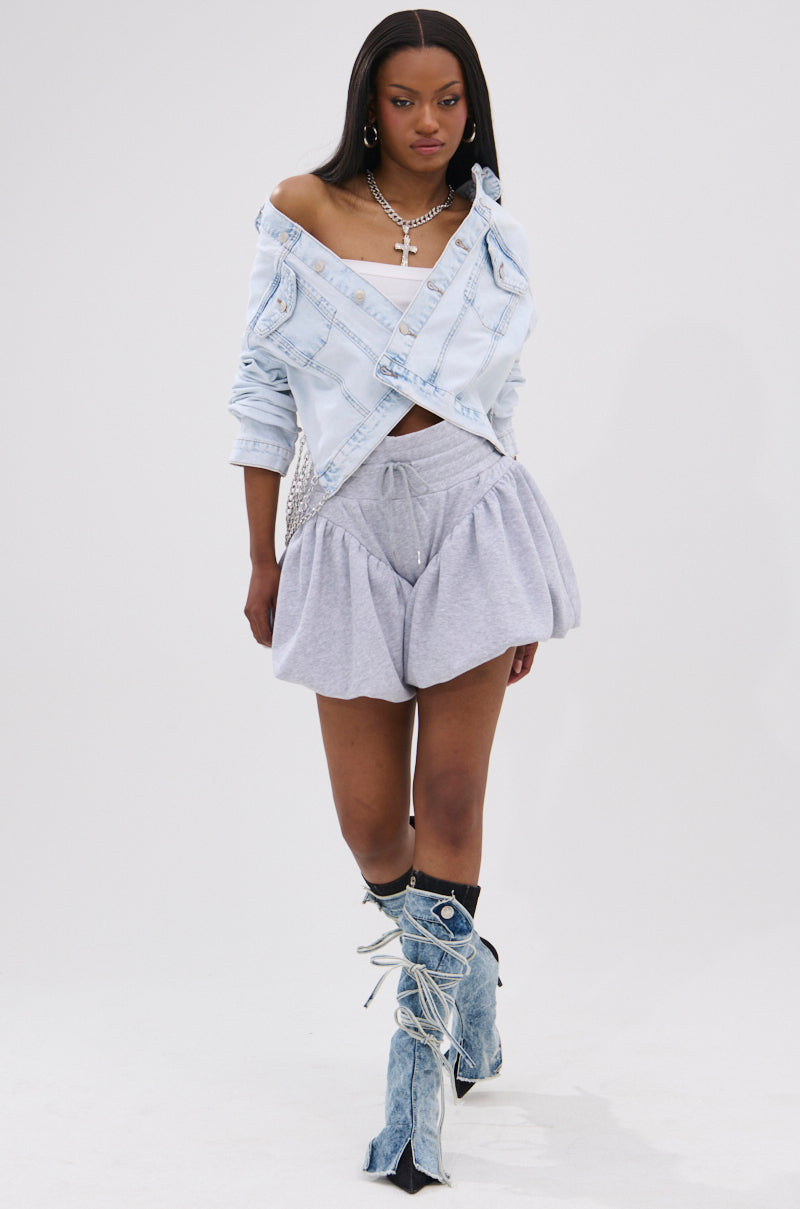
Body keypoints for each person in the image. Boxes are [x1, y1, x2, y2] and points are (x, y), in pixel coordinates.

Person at [227, 9, 581, 1193]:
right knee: (374, 825)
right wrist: (262, 557)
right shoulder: (299, 211)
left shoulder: (496, 232)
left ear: (471, 105)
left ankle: (414, 1082)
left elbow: (500, 398)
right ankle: (467, 970)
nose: (427, 123)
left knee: (454, 793)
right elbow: (261, 388)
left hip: (472, 509)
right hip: (344, 522)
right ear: (366, 105)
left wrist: (515, 586)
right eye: (401, 100)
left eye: (447, 99)